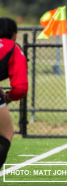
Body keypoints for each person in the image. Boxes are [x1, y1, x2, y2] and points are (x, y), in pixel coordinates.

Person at [0, 17, 28, 169]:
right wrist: (7, 98)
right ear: (15, 35)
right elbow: (21, 88)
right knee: (6, 133)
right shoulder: (13, 47)